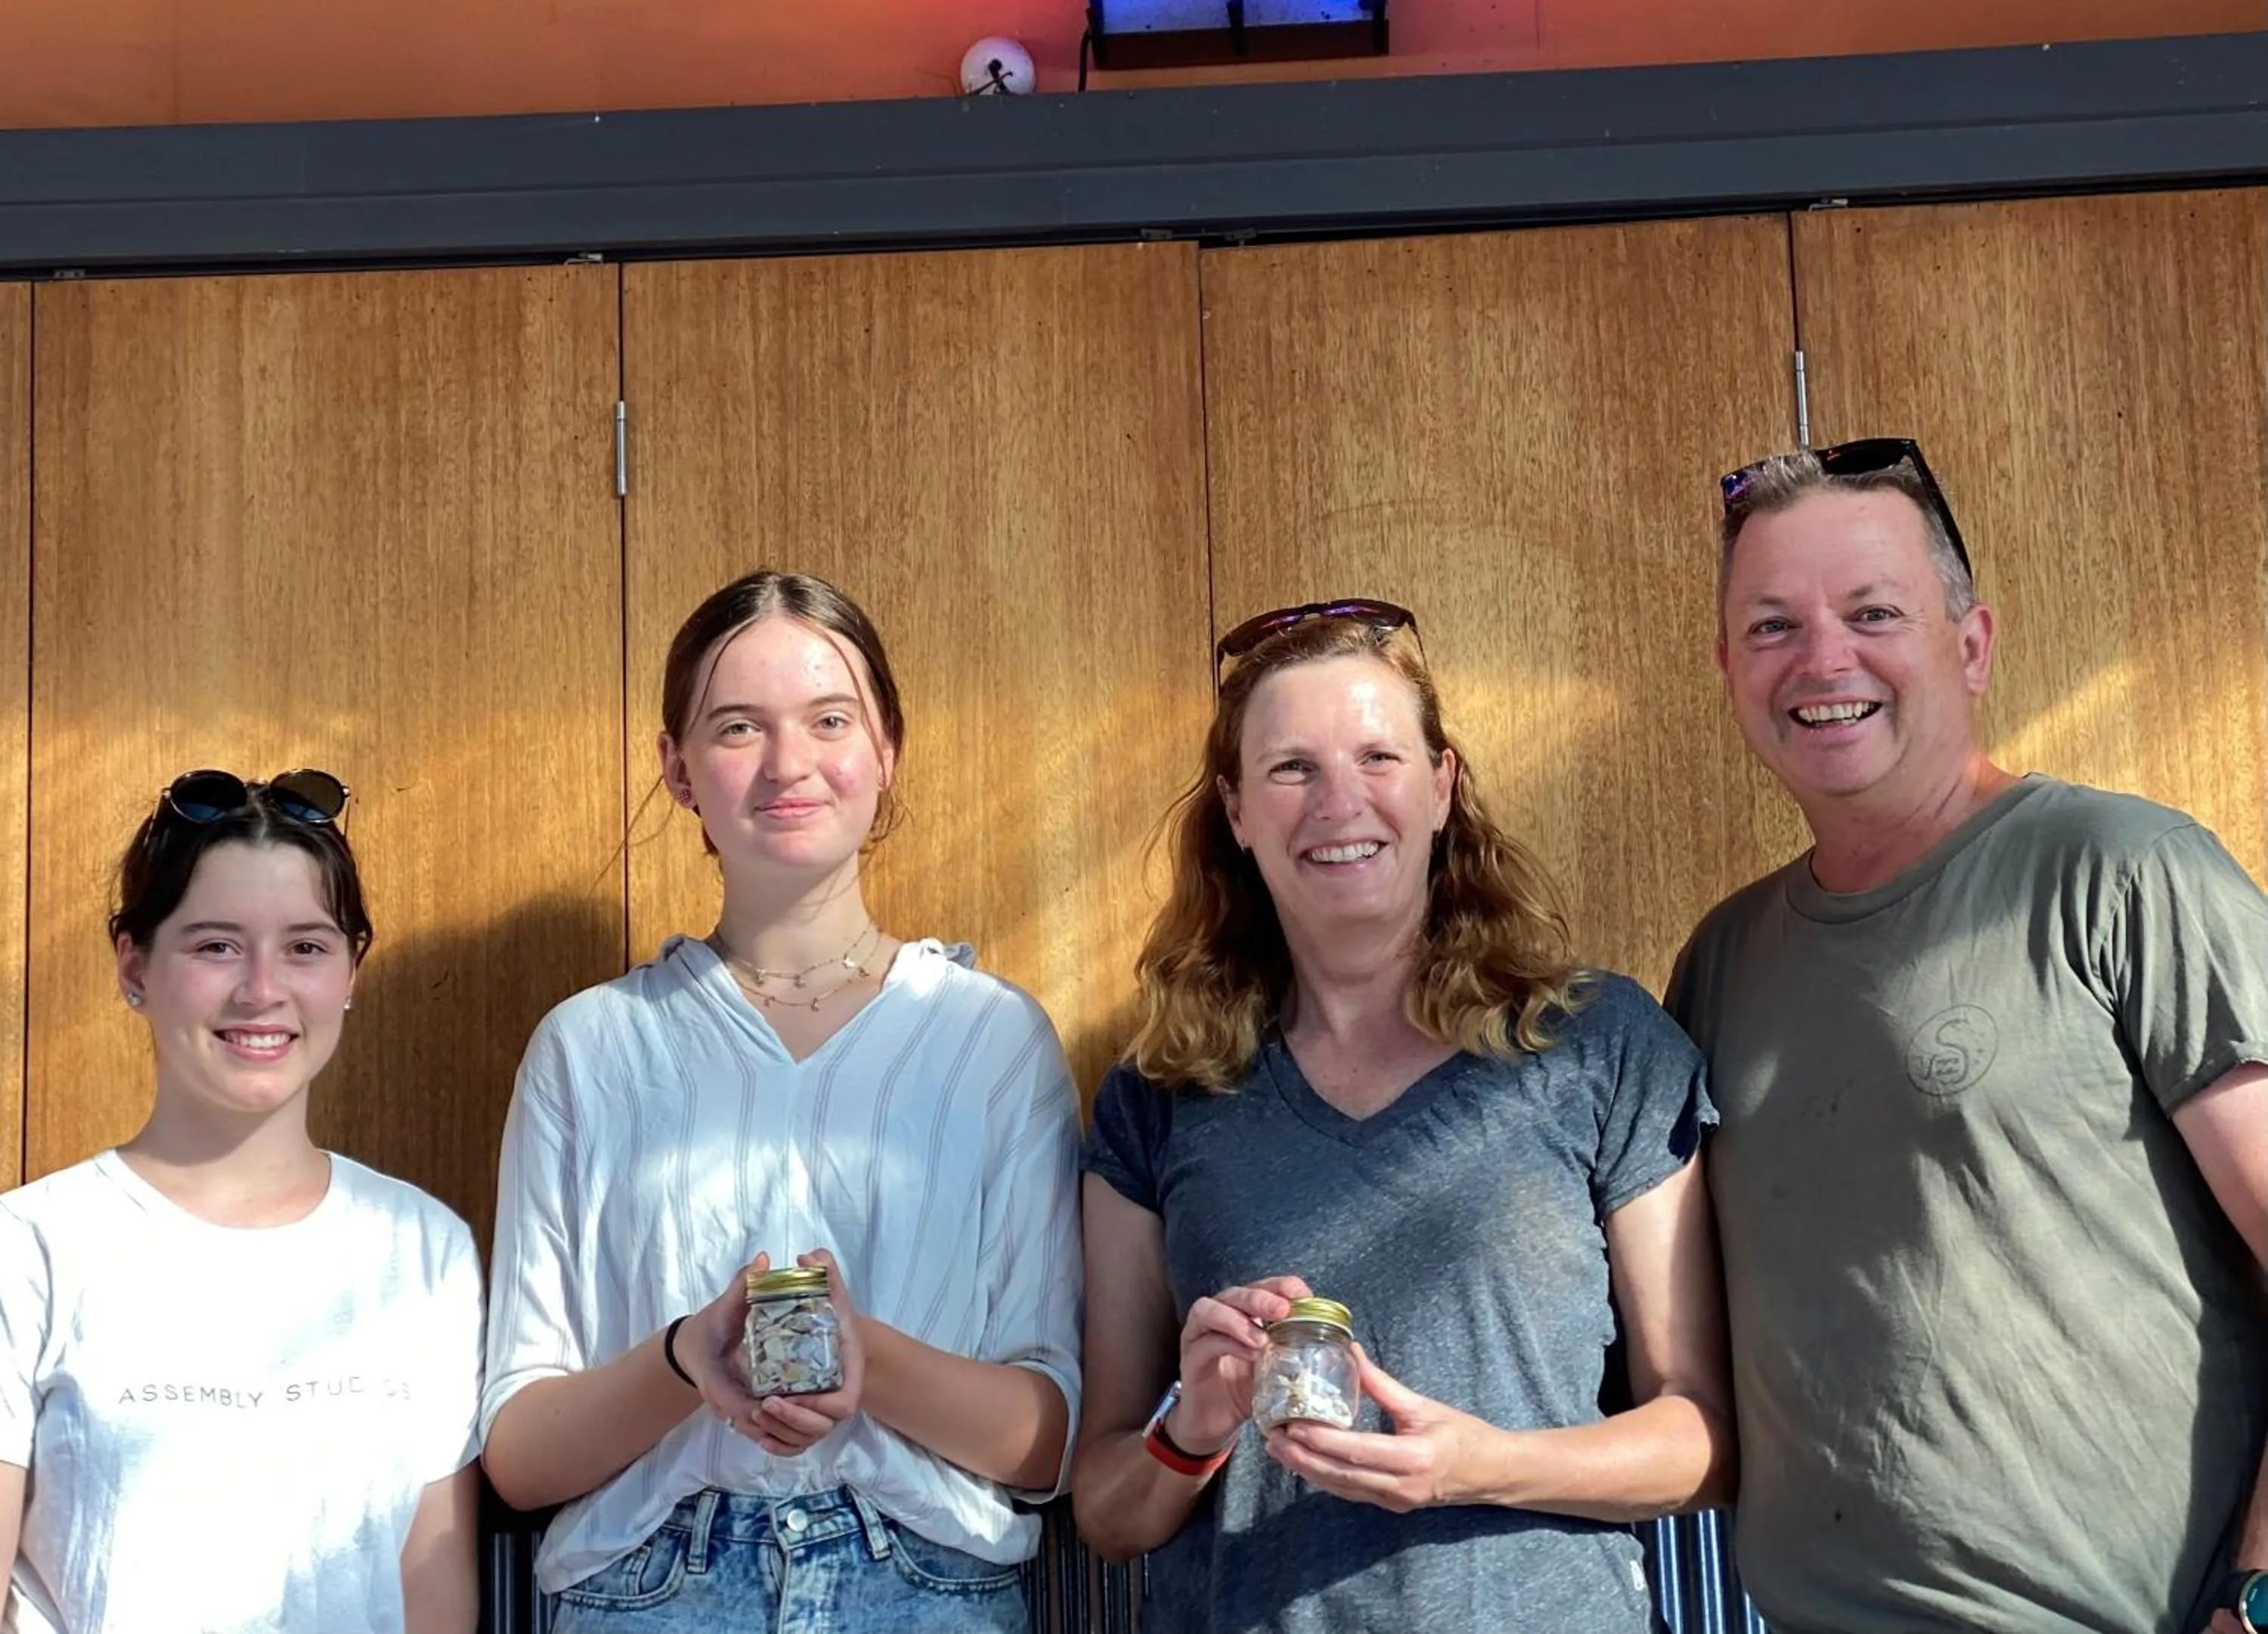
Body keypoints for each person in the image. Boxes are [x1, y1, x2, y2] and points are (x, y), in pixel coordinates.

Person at [1675, 439, 2268, 1634]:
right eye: (1773, 626)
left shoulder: (2120, 874)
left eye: (1873, 611)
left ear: (1973, 643)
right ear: (1730, 670)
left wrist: (2259, 1601)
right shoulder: (1721, 962)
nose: (1824, 659)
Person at [1074, 600, 1734, 1633]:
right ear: (1237, 812)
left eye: (1378, 756)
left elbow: (1699, 1438)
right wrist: (1193, 1427)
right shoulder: (1159, 1093)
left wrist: (1484, 1467)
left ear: (1442, 786)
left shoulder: (1599, 1043)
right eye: (1292, 768)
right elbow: (1109, 1512)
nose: (1341, 802)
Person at [481, 569, 1082, 1632]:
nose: (789, 764)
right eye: (738, 727)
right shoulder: (592, 1050)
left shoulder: (991, 1041)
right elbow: (521, 1458)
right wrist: (683, 1362)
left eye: (830, 720)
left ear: (886, 750)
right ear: (676, 768)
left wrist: (871, 1360)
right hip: (647, 1592)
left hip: (929, 1588)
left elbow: (1047, 1440)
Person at [0, 768, 482, 1634]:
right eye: (216, 945)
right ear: (134, 965)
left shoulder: (425, 1249)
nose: (262, 990)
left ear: (349, 972)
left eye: (305, 946)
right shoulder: (32, 1246)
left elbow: (434, 1590)